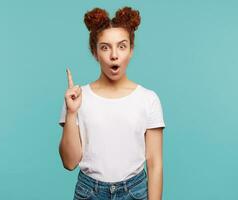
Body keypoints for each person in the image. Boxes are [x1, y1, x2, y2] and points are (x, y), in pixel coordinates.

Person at [58, 6, 165, 200]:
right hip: (89, 191)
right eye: (105, 47)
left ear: (131, 50)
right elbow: (69, 162)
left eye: (122, 46)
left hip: (135, 191)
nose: (114, 55)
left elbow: (155, 164)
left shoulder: (148, 99)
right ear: (95, 52)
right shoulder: (77, 98)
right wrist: (71, 112)